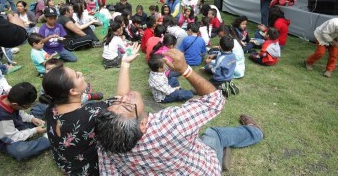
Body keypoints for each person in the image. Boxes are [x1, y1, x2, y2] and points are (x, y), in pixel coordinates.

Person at [96, 48, 264, 175]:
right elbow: (215, 100)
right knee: (213, 134)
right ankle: (254, 132)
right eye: (125, 105)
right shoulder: (171, 125)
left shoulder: (106, 143)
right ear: (143, 124)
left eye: (116, 101)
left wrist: (125, 65)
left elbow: (120, 101)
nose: (123, 98)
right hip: (200, 170)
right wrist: (186, 70)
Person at [43, 43, 139, 175]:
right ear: (73, 91)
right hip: (88, 170)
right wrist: (125, 64)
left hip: (64, 163)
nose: (80, 73)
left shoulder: (51, 108)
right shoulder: (92, 113)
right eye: (77, 75)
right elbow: (122, 97)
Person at [0, 82, 50, 160]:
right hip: (7, 140)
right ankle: (48, 139)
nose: (27, 107)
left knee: (41, 107)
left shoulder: (11, 100)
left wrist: (32, 119)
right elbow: (12, 137)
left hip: (19, 126)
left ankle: (53, 109)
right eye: (26, 106)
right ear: (15, 104)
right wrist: (35, 130)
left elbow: (21, 113)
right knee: (21, 151)